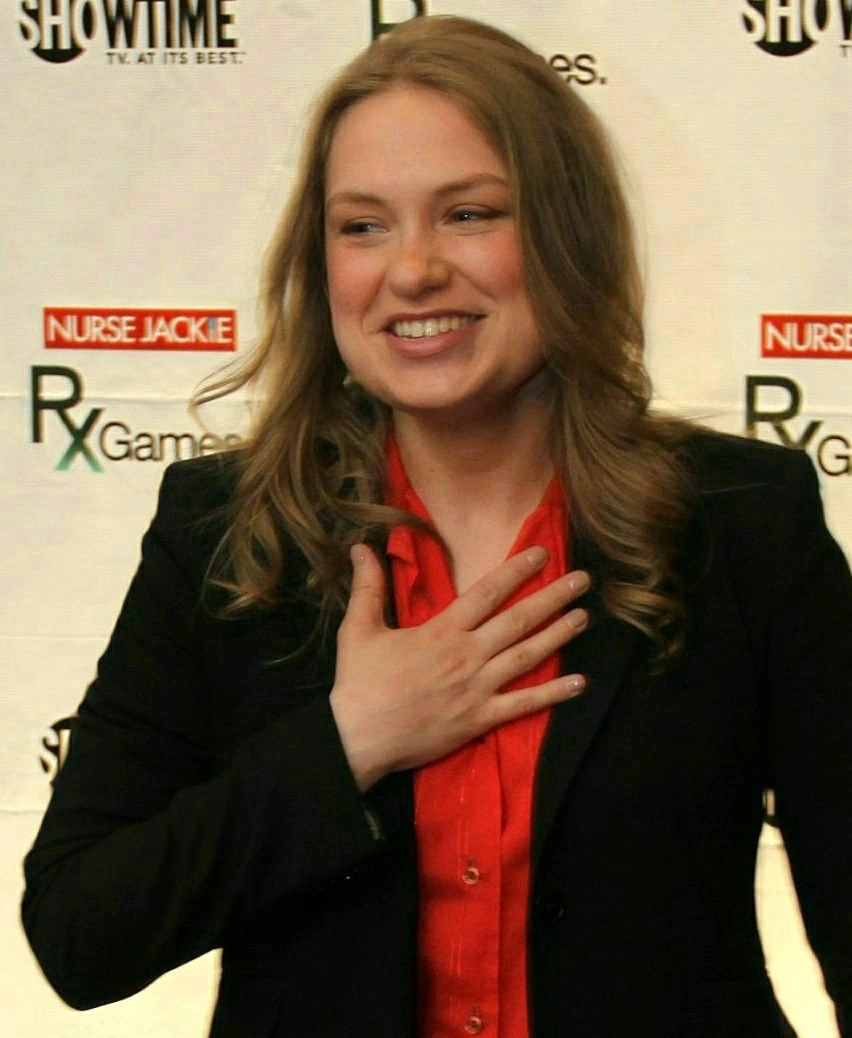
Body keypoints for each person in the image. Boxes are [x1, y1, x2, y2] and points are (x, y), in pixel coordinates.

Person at [21, 14, 852, 1038]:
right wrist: (348, 742)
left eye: (469, 214)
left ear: (565, 236)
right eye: (363, 225)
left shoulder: (742, 523)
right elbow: (79, 933)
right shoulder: (220, 533)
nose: (411, 270)